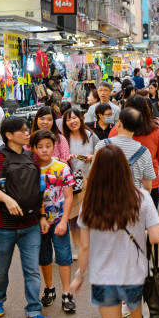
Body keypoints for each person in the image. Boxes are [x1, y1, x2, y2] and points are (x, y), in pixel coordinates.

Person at [70, 145, 159, 318]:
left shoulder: (89, 203)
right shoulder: (141, 197)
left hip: (102, 275)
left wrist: (79, 276)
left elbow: (85, 247)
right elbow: (156, 237)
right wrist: (139, 235)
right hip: (134, 272)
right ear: (124, 168)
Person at [0, 117, 54, 318]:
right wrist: (7, 199)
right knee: (1, 268)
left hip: (30, 224)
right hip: (3, 226)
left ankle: (33, 313)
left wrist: (41, 216)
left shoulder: (32, 157)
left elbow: (40, 189)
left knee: (31, 270)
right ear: (9, 135)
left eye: (26, 130)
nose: (26, 133)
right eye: (22, 131)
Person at [30, 130, 76, 314]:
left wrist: (64, 220)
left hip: (58, 219)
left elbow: (68, 196)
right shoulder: (30, 169)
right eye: (39, 147)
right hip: (38, 221)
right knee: (44, 256)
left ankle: (67, 293)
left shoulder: (62, 168)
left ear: (54, 147)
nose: (44, 150)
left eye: (48, 146)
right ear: (33, 148)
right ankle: (49, 288)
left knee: (64, 256)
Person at [109, 95, 159, 208]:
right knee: (148, 219)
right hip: (150, 181)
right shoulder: (155, 131)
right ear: (146, 110)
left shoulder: (116, 130)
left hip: (121, 181)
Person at [62, 108, 99, 259]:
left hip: (91, 179)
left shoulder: (90, 135)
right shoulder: (64, 138)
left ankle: (91, 245)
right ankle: (77, 247)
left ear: (81, 118)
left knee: (91, 214)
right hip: (73, 182)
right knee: (74, 215)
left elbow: (100, 151)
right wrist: (67, 158)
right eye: (69, 119)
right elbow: (60, 158)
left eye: (75, 118)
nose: (72, 121)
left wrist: (92, 156)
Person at [95, 108, 155, 192]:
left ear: (119, 123)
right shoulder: (144, 152)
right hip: (133, 200)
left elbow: (93, 176)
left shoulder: (102, 145)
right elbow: (148, 187)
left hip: (105, 199)